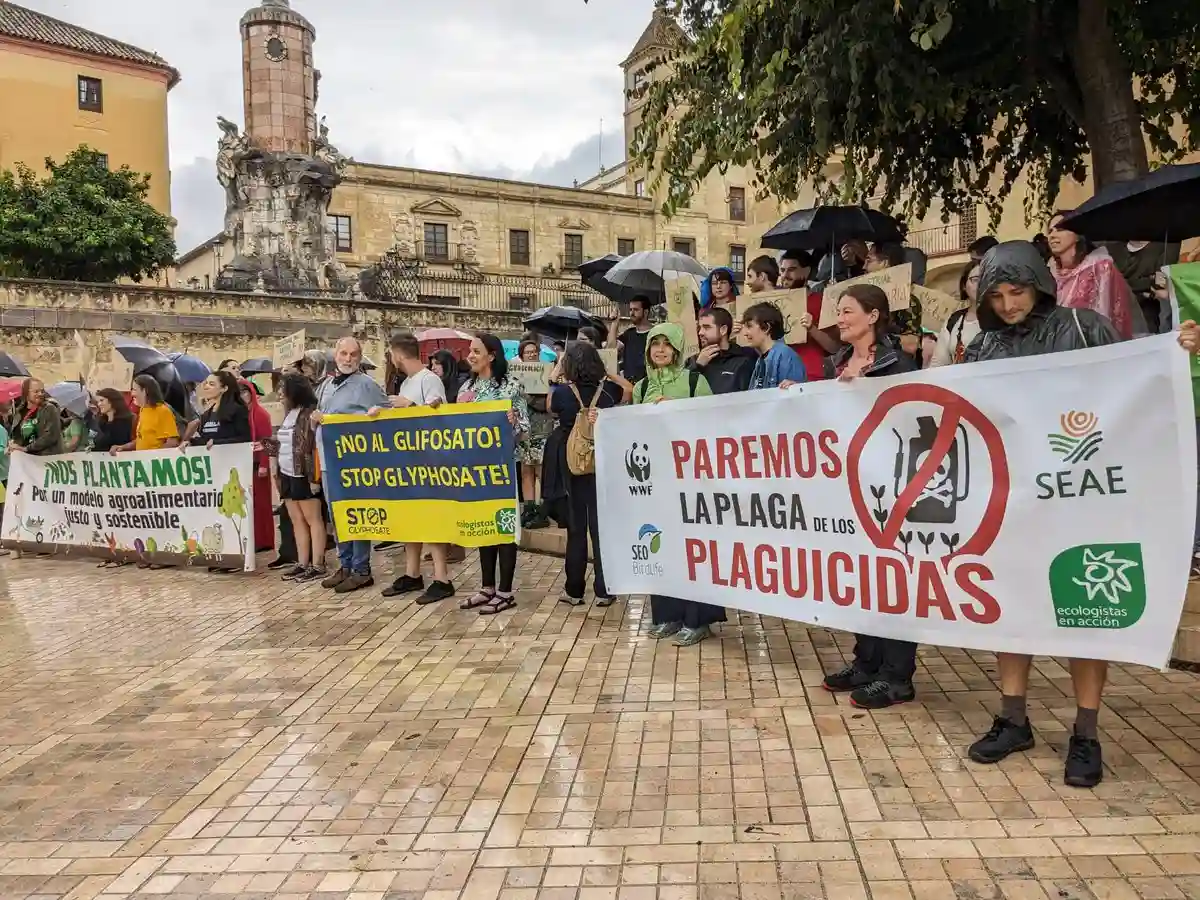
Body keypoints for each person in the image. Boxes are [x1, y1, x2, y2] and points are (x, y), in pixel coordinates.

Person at [960, 240, 1131, 788]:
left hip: (1082, 495)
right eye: (999, 294)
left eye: (1019, 291)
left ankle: (1086, 733)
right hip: (1012, 499)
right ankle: (1013, 718)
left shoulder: (1083, 327)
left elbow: (1134, 383)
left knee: (1085, 615)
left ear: (1040, 284)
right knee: (1012, 611)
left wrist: (1181, 349)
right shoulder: (983, 345)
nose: (1010, 304)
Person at [796, 284, 920, 708]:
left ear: (873, 316)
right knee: (862, 578)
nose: (840, 319)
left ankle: (896, 675)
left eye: (847, 311)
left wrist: (863, 388)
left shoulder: (897, 364)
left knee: (893, 579)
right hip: (846, 489)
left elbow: (910, 419)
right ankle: (866, 661)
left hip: (890, 489)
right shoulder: (835, 364)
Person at [631, 323, 720, 645]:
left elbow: (712, 422)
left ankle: (698, 619)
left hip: (692, 479)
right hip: (657, 480)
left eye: (667, 344)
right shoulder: (640, 387)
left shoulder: (694, 380)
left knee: (695, 549)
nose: (660, 350)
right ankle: (667, 615)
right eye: (655, 344)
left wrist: (678, 410)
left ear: (678, 349)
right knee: (662, 547)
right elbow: (631, 431)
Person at [374, 331, 456, 604]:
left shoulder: (429, 380)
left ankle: (442, 578)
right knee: (410, 518)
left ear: (397, 354)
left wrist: (410, 404)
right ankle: (412, 573)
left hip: (428, 461)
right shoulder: (408, 381)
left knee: (431, 519)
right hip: (408, 461)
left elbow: (438, 415)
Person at [456, 332, 530, 616]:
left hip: (502, 469)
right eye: (470, 351)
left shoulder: (510, 387)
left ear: (492, 355)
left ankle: (505, 591)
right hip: (475, 469)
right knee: (484, 526)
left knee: (504, 528)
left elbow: (525, 430)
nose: (470, 356)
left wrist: (513, 423)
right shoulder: (467, 388)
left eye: (476, 351)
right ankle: (486, 586)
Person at [313, 337, 389, 595]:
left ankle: (361, 569)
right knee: (337, 515)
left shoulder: (368, 385)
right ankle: (345, 565)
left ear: (360, 357)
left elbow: (387, 414)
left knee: (357, 514)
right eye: (343, 353)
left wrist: (368, 416)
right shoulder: (325, 385)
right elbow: (319, 415)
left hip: (356, 463)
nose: (348, 358)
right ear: (335, 355)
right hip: (328, 461)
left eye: (353, 354)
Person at [552, 342, 622, 608]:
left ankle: (574, 590)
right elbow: (626, 391)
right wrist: (610, 374)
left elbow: (551, 406)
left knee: (576, 528)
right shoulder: (610, 391)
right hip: (603, 463)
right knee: (602, 528)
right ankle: (605, 588)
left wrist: (556, 371)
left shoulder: (561, 393)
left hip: (574, 465)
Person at [266, 373, 326, 583]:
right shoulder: (289, 414)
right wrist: (265, 445)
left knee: (313, 520)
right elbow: (283, 443)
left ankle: (318, 564)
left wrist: (313, 478)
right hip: (287, 473)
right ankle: (303, 563)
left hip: (303, 474)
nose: (280, 393)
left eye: (284, 389)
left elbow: (309, 447)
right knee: (297, 520)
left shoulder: (310, 414)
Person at [1047, 212, 1141, 340]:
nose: (1052, 235)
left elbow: (1115, 314)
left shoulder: (1100, 267)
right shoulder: (1050, 271)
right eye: (1050, 231)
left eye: (1060, 229)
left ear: (1077, 235)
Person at [779, 248, 839, 379]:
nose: (785, 275)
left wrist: (812, 328)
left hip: (811, 376)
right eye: (782, 270)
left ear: (806, 271)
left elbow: (834, 347)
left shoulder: (822, 302)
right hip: (778, 376)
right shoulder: (774, 303)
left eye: (791, 270)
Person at [864, 242, 924, 363]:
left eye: (869, 260)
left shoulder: (907, 302)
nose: (863, 267)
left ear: (885, 263)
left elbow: (910, 346)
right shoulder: (865, 299)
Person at [516, 339, 553, 530]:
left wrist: (527, 395)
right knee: (526, 470)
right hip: (524, 430)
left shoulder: (546, 374)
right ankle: (529, 508)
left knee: (540, 470)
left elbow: (544, 405)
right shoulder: (516, 376)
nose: (531, 354)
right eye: (527, 352)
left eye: (533, 351)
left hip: (542, 428)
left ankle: (543, 510)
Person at [1108, 241, 1180, 334]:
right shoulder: (1112, 248)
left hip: (1150, 318)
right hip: (1115, 316)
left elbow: (1159, 284)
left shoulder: (1168, 244)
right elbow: (1111, 282)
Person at [239, 378, 275, 555]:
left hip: (258, 464)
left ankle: (264, 540)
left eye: (245, 392)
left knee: (261, 505)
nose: (243, 396)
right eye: (240, 393)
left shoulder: (260, 414)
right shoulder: (242, 415)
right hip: (246, 463)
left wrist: (264, 464)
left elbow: (267, 441)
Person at [688, 306, 754, 395]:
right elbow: (681, 394)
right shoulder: (693, 361)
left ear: (723, 330)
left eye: (707, 327)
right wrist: (697, 366)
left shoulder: (743, 361)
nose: (700, 333)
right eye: (700, 328)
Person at [742, 302, 808, 390]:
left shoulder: (785, 355)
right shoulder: (761, 360)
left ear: (766, 327)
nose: (745, 333)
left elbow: (796, 396)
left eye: (749, 326)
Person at [930, 262, 983, 367]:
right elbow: (938, 365)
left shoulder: (1004, 319)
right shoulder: (954, 320)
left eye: (986, 279)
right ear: (964, 285)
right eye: (975, 280)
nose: (981, 285)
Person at [184, 371, 251, 448]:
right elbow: (206, 440)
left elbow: (245, 438)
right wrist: (191, 442)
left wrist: (217, 442)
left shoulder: (238, 410)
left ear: (224, 388)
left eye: (211, 384)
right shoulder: (206, 414)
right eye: (206, 383)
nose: (206, 387)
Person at [112, 376, 178, 453]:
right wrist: (122, 447)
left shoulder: (162, 411)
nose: (132, 394)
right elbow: (141, 440)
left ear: (145, 391)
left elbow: (172, 442)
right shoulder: (143, 410)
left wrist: (153, 457)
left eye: (134, 390)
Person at [7, 379, 63, 456]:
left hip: (44, 460)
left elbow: (51, 436)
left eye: (42, 391)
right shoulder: (19, 411)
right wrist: (12, 446)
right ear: (26, 393)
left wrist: (26, 449)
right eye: (36, 391)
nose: (40, 394)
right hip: (24, 460)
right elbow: (16, 436)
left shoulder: (49, 408)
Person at [608, 295, 653, 384]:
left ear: (646, 312)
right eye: (630, 309)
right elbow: (610, 349)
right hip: (628, 386)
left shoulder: (655, 333)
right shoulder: (629, 333)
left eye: (636, 310)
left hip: (648, 386)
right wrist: (615, 323)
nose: (632, 313)